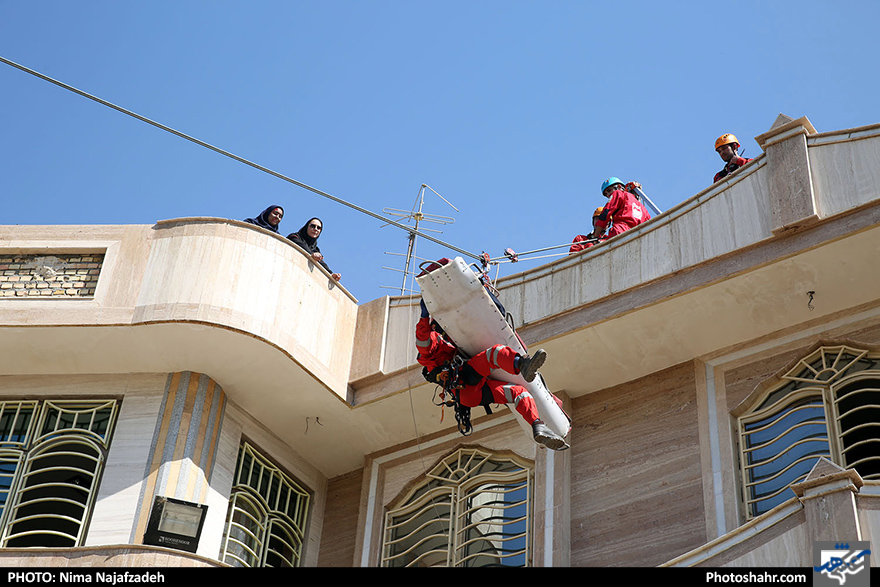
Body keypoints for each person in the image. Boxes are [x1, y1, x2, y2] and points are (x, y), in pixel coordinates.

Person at [416, 299, 568, 450]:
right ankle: (523, 364)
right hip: (464, 379)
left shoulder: (447, 342)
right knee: (494, 354)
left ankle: (538, 425)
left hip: (468, 396)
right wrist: (424, 317)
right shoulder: (431, 346)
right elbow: (422, 339)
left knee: (519, 393)